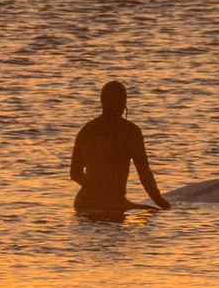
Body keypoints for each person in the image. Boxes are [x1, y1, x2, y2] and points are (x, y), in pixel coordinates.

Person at [71, 80, 170, 215]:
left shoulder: (87, 130)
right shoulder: (130, 131)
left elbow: (74, 173)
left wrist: (95, 189)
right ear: (123, 102)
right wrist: (162, 204)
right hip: (114, 203)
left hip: (84, 202)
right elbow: (144, 173)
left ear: (102, 102)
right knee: (152, 212)